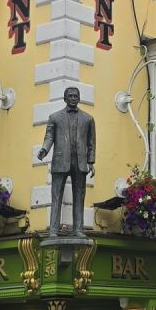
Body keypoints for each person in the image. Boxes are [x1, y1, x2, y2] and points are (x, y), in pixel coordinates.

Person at [37, 86, 95, 237]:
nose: (73, 98)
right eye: (70, 96)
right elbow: (49, 136)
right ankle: (53, 230)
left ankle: (78, 229)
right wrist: (44, 149)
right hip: (60, 160)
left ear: (79, 98)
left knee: (79, 197)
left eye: (76, 96)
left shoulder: (88, 119)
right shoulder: (55, 117)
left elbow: (91, 142)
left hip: (80, 162)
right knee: (56, 196)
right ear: (65, 98)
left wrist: (91, 161)